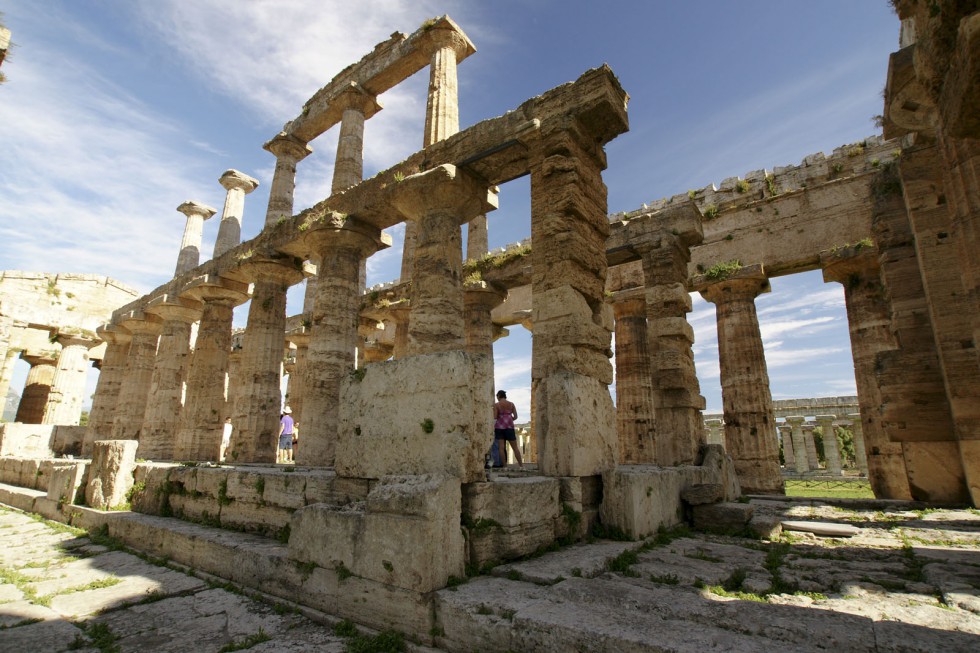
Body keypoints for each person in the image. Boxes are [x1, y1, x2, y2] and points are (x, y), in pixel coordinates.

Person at [493, 390, 522, 467]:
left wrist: (500, 419)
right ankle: (521, 466)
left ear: (499, 396)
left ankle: (505, 466)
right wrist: (509, 418)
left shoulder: (496, 405)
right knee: (515, 448)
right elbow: (516, 416)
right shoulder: (511, 404)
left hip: (499, 428)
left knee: (501, 448)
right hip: (509, 427)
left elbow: (495, 417)